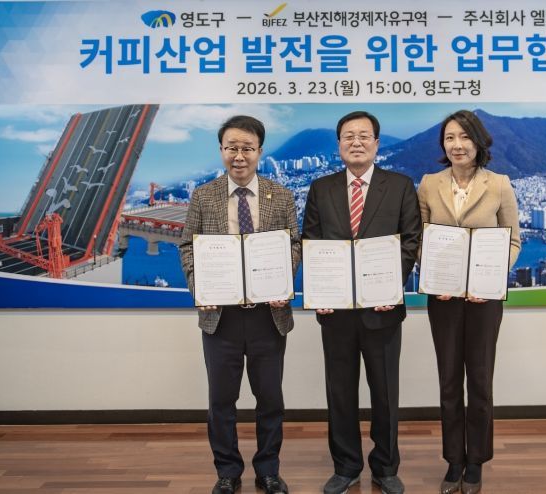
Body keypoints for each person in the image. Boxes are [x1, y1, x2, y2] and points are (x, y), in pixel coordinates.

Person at [302, 111, 422, 494]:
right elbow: (312, 241)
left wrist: (390, 288)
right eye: (348, 136)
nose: (356, 142)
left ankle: (386, 467)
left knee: (385, 392)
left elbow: (410, 240)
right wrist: (320, 291)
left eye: (364, 135)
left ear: (376, 143)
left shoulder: (400, 185)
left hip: (382, 310)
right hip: (336, 311)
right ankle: (346, 466)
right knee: (340, 392)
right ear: (339, 145)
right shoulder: (321, 188)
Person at [179, 115, 300, 494]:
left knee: (270, 399)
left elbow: (294, 245)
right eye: (231, 148)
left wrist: (284, 280)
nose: (239, 156)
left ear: (260, 151)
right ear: (221, 150)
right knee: (221, 401)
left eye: (247, 148)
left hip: (268, 316)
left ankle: (268, 470)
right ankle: (227, 472)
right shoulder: (204, 196)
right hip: (221, 317)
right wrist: (201, 288)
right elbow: (188, 246)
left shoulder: (281, 195)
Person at [417, 110, 521, 494]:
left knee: (479, 379)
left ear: (478, 142)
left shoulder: (500, 185)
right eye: (449, 138)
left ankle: (475, 461)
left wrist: (489, 280)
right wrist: (432, 275)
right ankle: (453, 460)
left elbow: (513, 241)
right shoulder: (429, 184)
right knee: (448, 381)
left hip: (483, 299)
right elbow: (420, 239)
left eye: (464, 137)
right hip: (443, 298)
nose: (457, 145)